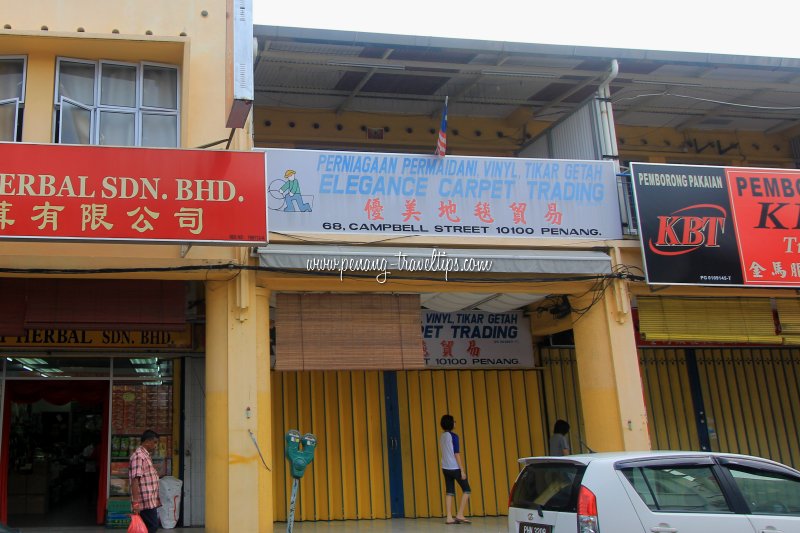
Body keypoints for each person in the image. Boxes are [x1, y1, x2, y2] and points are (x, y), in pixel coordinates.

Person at [439, 414, 471, 524]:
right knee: (467, 490)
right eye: (454, 421)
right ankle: (460, 514)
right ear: (451, 423)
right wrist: (462, 470)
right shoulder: (454, 436)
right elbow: (456, 453)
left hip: (445, 468)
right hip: (454, 468)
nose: (455, 422)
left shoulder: (442, 436)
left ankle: (449, 517)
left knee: (449, 491)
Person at [129, 429, 161, 533]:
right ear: (147, 441)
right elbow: (135, 480)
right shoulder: (139, 456)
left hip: (149, 500)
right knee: (152, 526)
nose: (156, 445)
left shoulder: (145, 456)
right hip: (144, 501)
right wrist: (136, 503)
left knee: (147, 527)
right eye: (154, 442)